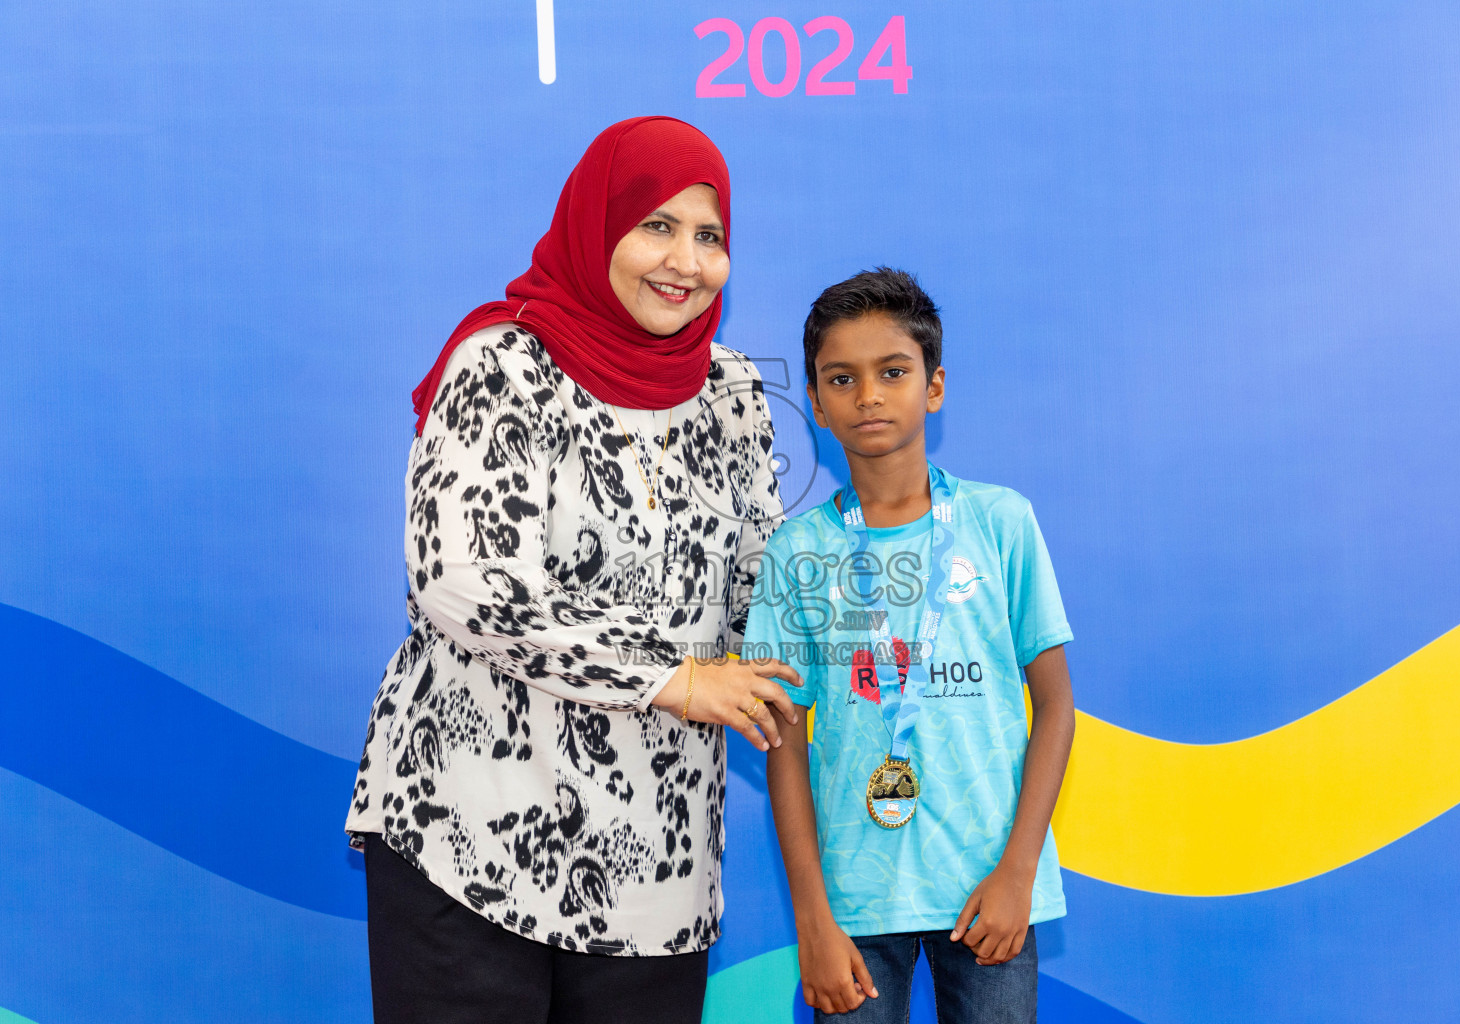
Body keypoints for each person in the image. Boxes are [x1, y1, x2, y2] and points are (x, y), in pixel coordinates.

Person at [345, 116, 802, 1024]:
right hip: (472, 840)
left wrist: (883, 605)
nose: (685, 260)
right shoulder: (504, 366)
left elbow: (763, 586)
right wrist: (669, 678)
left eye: (709, 236)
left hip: (657, 872)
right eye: (655, 226)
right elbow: (466, 581)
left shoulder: (735, 390)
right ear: (598, 229)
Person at [744, 268, 1077, 1023]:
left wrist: (1019, 870)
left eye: (892, 372)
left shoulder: (1001, 524)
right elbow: (783, 744)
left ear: (933, 386)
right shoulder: (796, 551)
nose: (868, 395)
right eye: (842, 379)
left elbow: (1056, 707)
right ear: (818, 405)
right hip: (855, 902)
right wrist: (813, 921)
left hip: (988, 887)